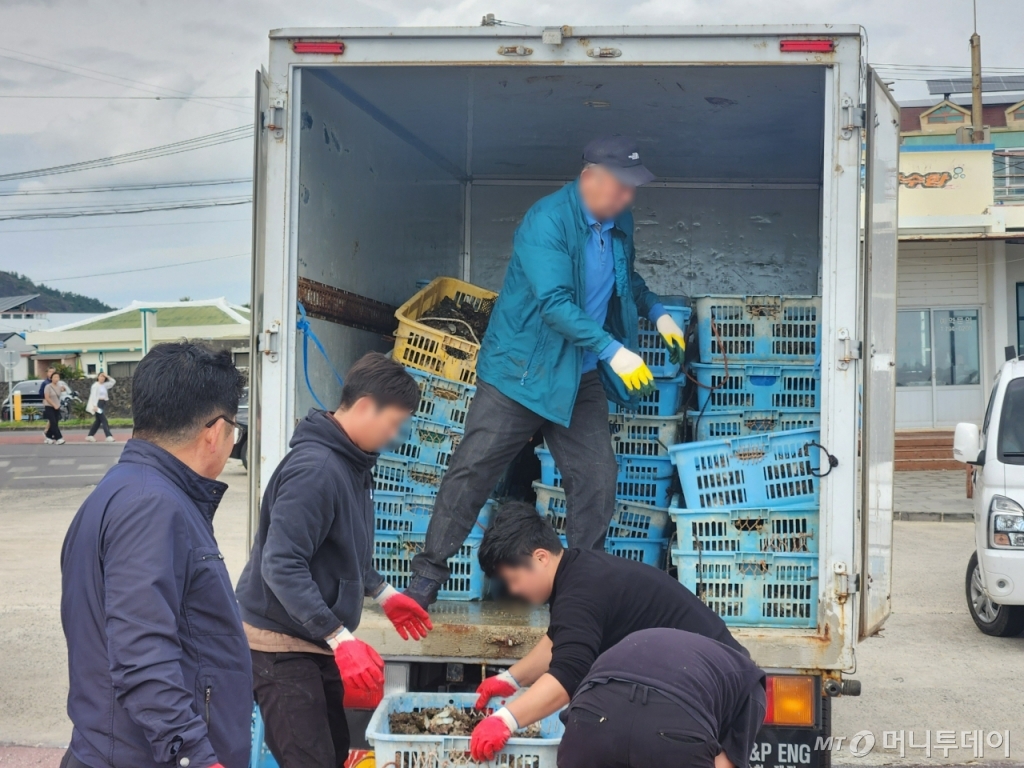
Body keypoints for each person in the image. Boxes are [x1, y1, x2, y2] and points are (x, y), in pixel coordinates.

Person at [405, 136, 687, 607]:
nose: (628, 197)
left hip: (580, 374)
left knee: (597, 477)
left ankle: (582, 590)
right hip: (521, 373)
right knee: (474, 469)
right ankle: (427, 576)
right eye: (621, 186)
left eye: (633, 188)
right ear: (589, 178)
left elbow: (625, 278)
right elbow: (554, 305)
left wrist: (655, 310)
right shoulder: (547, 221)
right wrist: (613, 349)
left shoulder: (619, 221)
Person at [235, 352, 433, 768]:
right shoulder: (317, 469)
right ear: (364, 407)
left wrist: (383, 592)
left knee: (336, 751)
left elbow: (344, 548)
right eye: (394, 423)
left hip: (313, 638)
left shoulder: (353, 462)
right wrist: (341, 638)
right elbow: (282, 564)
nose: (396, 435)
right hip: (281, 643)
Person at [60, 342, 250, 768]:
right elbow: (141, 652)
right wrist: (195, 756)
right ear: (215, 431)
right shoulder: (152, 505)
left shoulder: (129, 489)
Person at [467, 502, 747, 763]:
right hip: (697, 680)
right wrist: (511, 679)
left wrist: (506, 719)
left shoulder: (580, 592)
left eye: (513, 579)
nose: (514, 591)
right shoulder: (578, 572)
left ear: (540, 557)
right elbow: (560, 641)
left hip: (723, 686)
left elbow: (569, 673)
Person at [557, 628, 766, 768]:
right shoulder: (753, 685)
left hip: (591, 721)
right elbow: (725, 764)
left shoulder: (651, 641)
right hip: (671, 729)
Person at [85, 372, 117, 442]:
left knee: (98, 421)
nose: (102, 378)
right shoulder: (95, 386)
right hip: (97, 404)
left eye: (103, 377)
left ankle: (90, 435)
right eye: (101, 376)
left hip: (103, 403)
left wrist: (107, 376)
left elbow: (113, 382)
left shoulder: (105, 385)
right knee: (104, 420)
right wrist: (95, 406)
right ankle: (108, 436)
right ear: (98, 377)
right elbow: (93, 396)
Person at [43, 371, 64, 445]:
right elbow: (47, 397)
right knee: (53, 422)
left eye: (58, 377)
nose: (56, 379)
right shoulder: (48, 386)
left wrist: (63, 389)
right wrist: (54, 404)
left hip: (57, 406)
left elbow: (62, 391)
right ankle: (59, 438)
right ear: (51, 378)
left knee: (55, 423)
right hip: (49, 406)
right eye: (55, 377)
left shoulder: (59, 386)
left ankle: (48, 436)